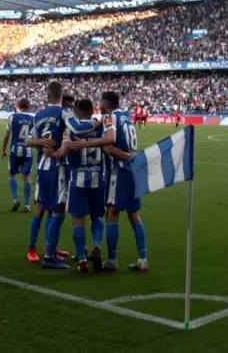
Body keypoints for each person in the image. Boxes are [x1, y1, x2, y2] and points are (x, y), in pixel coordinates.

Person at [68, 91, 147, 272]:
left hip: (119, 171)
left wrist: (84, 144)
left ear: (106, 103)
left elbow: (110, 143)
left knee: (112, 213)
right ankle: (143, 257)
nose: (100, 105)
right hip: (135, 169)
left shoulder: (111, 117)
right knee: (134, 215)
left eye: (101, 102)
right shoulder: (126, 118)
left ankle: (112, 260)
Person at [52, 98, 105, 273]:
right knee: (97, 217)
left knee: (78, 220)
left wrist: (53, 153)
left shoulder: (71, 129)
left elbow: (63, 151)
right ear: (92, 110)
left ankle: (82, 259)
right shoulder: (99, 127)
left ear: (76, 111)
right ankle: (96, 247)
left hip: (78, 180)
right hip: (98, 178)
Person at [24, 81, 73, 269]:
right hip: (58, 166)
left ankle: (36, 249)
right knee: (59, 208)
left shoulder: (39, 114)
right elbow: (76, 130)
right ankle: (50, 256)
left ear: (47, 95)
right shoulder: (65, 113)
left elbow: (28, 142)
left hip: (42, 167)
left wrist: (41, 141)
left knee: (42, 207)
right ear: (62, 96)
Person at [1, 98, 34, 213]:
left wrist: (3, 150)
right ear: (29, 107)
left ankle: (16, 199)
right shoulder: (33, 119)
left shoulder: (12, 117)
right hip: (28, 151)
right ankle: (26, 205)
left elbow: (6, 136)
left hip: (15, 150)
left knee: (12, 174)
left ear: (17, 106)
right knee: (27, 176)